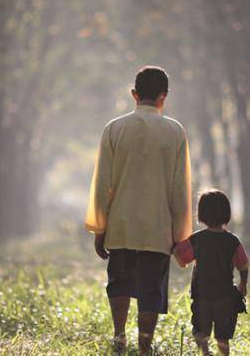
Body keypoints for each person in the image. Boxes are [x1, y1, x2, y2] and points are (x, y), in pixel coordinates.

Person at [85, 66, 192, 355]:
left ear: (134, 94)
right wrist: (181, 234)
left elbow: (102, 182)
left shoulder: (114, 128)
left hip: (120, 223)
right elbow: (180, 188)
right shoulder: (175, 131)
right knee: (150, 289)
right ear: (163, 97)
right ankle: (144, 346)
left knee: (118, 281)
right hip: (158, 228)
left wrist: (99, 226)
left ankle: (119, 336)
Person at [173, 189, 250, 356]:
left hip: (202, 295)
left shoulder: (197, 239)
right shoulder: (232, 241)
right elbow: (244, 265)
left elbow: (181, 259)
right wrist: (243, 284)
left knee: (201, 331)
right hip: (225, 296)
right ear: (226, 214)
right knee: (223, 336)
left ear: (201, 214)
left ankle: (205, 353)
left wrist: (174, 246)